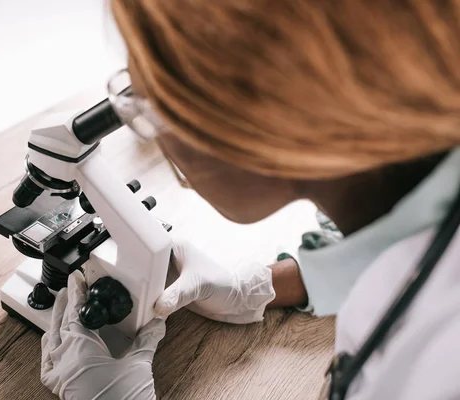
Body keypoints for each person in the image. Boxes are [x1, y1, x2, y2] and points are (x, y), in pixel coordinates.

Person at [40, 1, 460, 399]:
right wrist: (260, 286)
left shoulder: (440, 360)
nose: (153, 132)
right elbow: (383, 244)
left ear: (252, 112)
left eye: (153, 104)